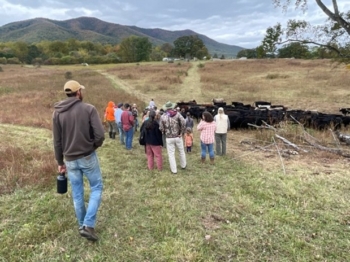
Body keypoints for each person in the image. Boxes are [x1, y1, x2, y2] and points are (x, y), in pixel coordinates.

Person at [52, 80, 105, 242]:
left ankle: (82, 225)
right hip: (87, 155)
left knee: (77, 193)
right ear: (78, 93)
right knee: (96, 186)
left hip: (69, 160)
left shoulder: (57, 113)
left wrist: (60, 162)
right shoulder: (89, 109)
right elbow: (100, 135)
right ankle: (88, 225)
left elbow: (57, 141)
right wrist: (92, 147)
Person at [159, 101, 187, 174]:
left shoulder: (163, 116)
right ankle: (183, 165)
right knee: (181, 151)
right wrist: (181, 132)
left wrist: (164, 131)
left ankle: (174, 170)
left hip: (169, 137)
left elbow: (161, 128)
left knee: (171, 154)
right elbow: (184, 122)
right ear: (172, 107)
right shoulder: (177, 114)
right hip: (178, 136)